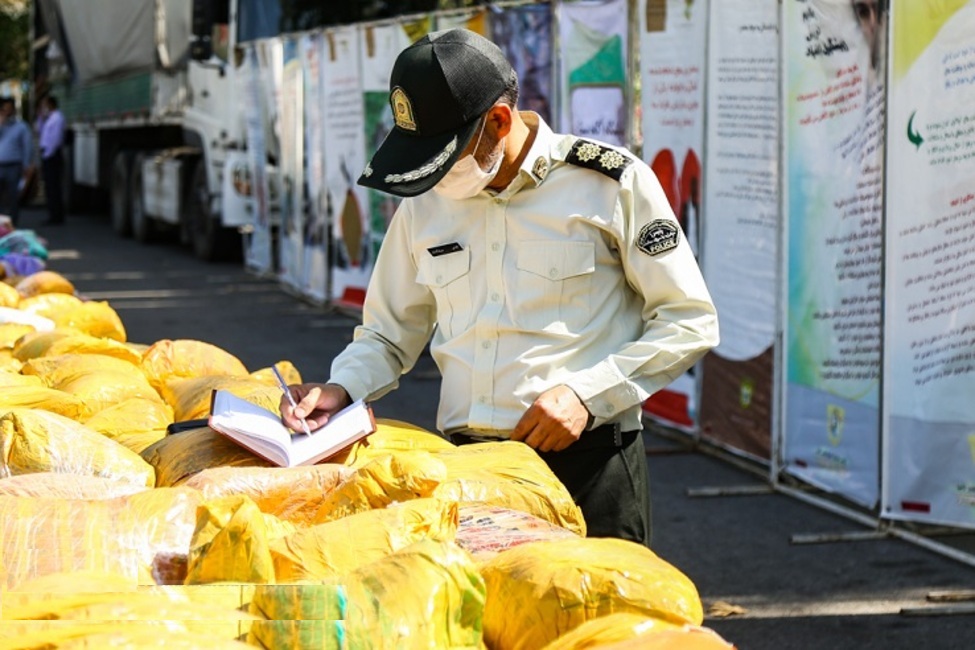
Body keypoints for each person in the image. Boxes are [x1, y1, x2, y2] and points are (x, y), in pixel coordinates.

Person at [279, 28, 718, 547]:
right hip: (469, 472)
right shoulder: (426, 202)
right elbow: (388, 334)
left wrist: (588, 395)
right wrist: (342, 389)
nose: (438, 178)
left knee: (599, 627)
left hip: (588, 466)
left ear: (499, 121)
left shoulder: (609, 183)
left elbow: (689, 320)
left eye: (447, 157)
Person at [0, 97, 33, 227]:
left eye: (9, 109)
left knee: (13, 196)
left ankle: (13, 223)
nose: (6, 112)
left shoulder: (21, 127)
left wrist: (26, 165)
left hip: (14, 165)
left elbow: (27, 146)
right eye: (4, 109)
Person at [35, 95, 66, 225]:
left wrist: (48, 154)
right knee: (49, 186)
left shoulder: (58, 118)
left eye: (45, 105)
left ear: (51, 104)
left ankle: (57, 216)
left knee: (54, 187)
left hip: (52, 155)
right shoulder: (48, 119)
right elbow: (39, 130)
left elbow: (56, 139)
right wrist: (40, 117)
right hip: (47, 154)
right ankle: (53, 214)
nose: (43, 107)